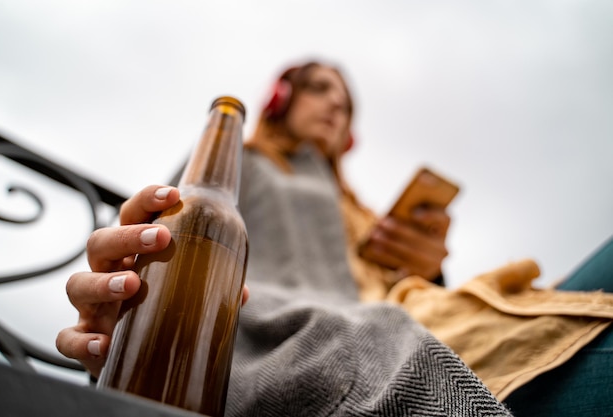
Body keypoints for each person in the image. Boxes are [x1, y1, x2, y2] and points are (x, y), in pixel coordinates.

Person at [55, 60, 613, 416]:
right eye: (320, 89)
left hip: (431, 318)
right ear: (280, 98)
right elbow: (176, 228)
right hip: (335, 336)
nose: (335, 106)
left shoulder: (361, 209)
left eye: (345, 103)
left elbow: (391, 283)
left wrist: (427, 263)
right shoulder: (238, 161)